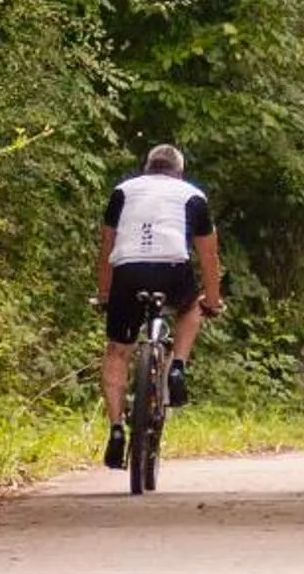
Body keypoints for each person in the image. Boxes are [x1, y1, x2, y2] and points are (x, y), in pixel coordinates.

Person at [96, 143, 225, 470]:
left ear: (146, 167)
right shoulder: (192, 195)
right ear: (178, 172)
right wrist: (212, 299)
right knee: (190, 307)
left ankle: (114, 429)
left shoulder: (122, 191)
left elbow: (107, 246)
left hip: (127, 271)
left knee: (117, 351)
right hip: (172, 269)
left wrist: (105, 294)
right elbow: (208, 255)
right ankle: (177, 365)